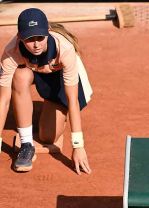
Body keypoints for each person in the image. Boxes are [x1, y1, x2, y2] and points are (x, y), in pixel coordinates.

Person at [0, 8, 92, 174]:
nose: (36, 44)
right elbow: (4, 100)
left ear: (48, 32)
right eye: (29, 39)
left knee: (47, 137)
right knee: (19, 76)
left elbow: (73, 100)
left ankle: (49, 110)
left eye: (40, 38)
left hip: (60, 83)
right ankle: (27, 145)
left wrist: (78, 146)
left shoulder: (65, 49)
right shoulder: (10, 52)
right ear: (19, 37)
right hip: (35, 71)